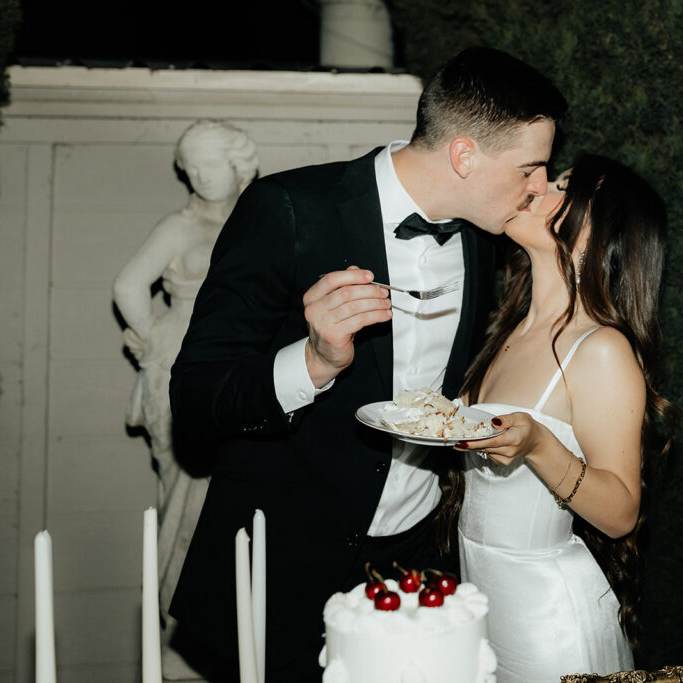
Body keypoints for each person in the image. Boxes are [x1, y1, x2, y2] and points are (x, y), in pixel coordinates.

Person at [167, 47, 567, 682]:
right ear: (464, 155)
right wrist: (313, 359)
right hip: (284, 574)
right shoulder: (288, 209)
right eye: (531, 169)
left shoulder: (481, 239)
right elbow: (194, 398)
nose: (541, 187)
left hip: (420, 570)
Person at [448, 154, 675, 681]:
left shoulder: (599, 348)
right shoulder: (507, 332)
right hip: (481, 603)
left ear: (595, 238)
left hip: (548, 623)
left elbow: (620, 513)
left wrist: (539, 446)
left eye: (564, 187)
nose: (539, 186)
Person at [111, 120, 259, 674]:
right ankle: (183, 635)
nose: (200, 176)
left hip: (244, 370)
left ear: (238, 165)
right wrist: (154, 338)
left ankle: (230, 631)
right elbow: (128, 285)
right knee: (186, 499)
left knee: (241, 496)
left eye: (210, 164)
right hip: (183, 368)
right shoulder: (178, 226)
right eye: (191, 166)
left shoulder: (258, 218)